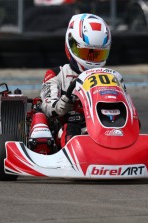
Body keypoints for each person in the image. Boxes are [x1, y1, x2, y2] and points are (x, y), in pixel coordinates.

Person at [40, 13, 112, 148]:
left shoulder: (108, 77)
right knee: (71, 129)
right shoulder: (56, 74)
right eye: (87, 53)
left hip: (101, 127)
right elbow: (48, 107)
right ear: (71, 46)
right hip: (67, 128)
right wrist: (62, 103)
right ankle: (76, 158)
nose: (91, 60)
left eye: (98, 55)